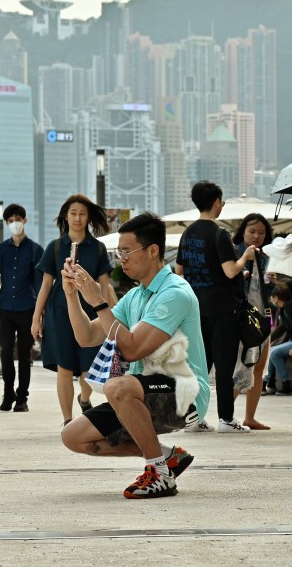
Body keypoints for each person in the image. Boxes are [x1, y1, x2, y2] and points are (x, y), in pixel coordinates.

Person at [61, 212, 209, 499]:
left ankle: (159, 473)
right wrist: (72, 295)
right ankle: (167, 456)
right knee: (74, 436)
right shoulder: (136, 296)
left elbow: (130, 348)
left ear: (153, 251)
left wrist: (99, 301)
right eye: (119, 252)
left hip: (184, 395)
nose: (121, 259)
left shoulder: (175, 293)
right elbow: (87, 336)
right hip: (146, 393)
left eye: (127, 251)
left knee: (117, 386)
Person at [174, 181, 255, 433]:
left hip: (196, 308)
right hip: (222, 308)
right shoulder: (219, 234)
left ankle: (193, 418)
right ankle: (226, 419)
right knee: (224, 364)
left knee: (198, 365)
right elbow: (230, 270)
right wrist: (246, 256)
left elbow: (180, 271)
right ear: (217, 202)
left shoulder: (187, 234)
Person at [32, 195, 112, 425]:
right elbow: (46, 284)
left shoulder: (97, 248)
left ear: (88, 218)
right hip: (59, 314)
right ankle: (68, 419)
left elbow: (104, 284)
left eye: (82, 213)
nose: (77, 218)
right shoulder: (55, 247)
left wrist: (105, 315)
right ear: (66, 216)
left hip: (91, 314)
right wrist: (36, 318)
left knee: (89, 369)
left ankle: (85, 399)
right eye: (73, 213)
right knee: (64, 368)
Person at [0, 203, 44, 412]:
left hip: (28, 308)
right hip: (5, 309)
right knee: (5, 351)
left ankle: (22, 397)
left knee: (24, 354)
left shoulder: (35, 250)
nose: (15, 224)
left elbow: (40, 283)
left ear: (25, 221)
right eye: (11, 221)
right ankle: (8, 392)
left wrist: (40, 313)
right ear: (7, 224)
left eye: (18, 220)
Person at [232, 213, 274, 427]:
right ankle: (226, 415)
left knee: (259, 366)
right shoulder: (235, 252)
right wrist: (242, 276)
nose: (257, 236)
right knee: (244, 366)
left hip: (262, 317)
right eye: (252, 231)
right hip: (242, 318)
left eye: (261, 232)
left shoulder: (266, 256)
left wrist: (270, 283)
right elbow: (229, 281)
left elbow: (265, 293)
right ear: (243, 232)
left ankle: (250, 417)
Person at [264, 281, 292, 395]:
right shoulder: (284, 309)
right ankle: (269, 383)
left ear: (276, 297)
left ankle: (286, 383)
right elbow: (282, 328)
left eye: (272, 297)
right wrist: (267, 341)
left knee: (274, 352)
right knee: (271, 349)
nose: (271, 299)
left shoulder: (290, 306)